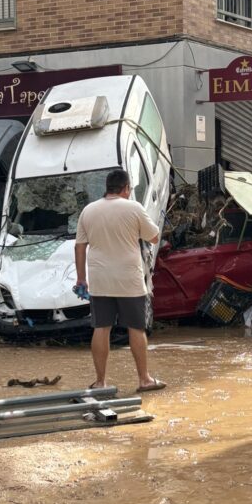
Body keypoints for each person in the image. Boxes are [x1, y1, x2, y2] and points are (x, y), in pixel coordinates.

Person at [75, 167, 166, 393]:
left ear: (107, 188)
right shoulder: (134, 208)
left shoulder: (88, 211)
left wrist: (81, 278)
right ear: (126, 188)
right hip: (129, 279)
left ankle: (100, 382)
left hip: (100, 279)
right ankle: (144, 379)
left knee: (101, 328)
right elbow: (154, 237)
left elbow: (79, 247)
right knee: (136, 328)